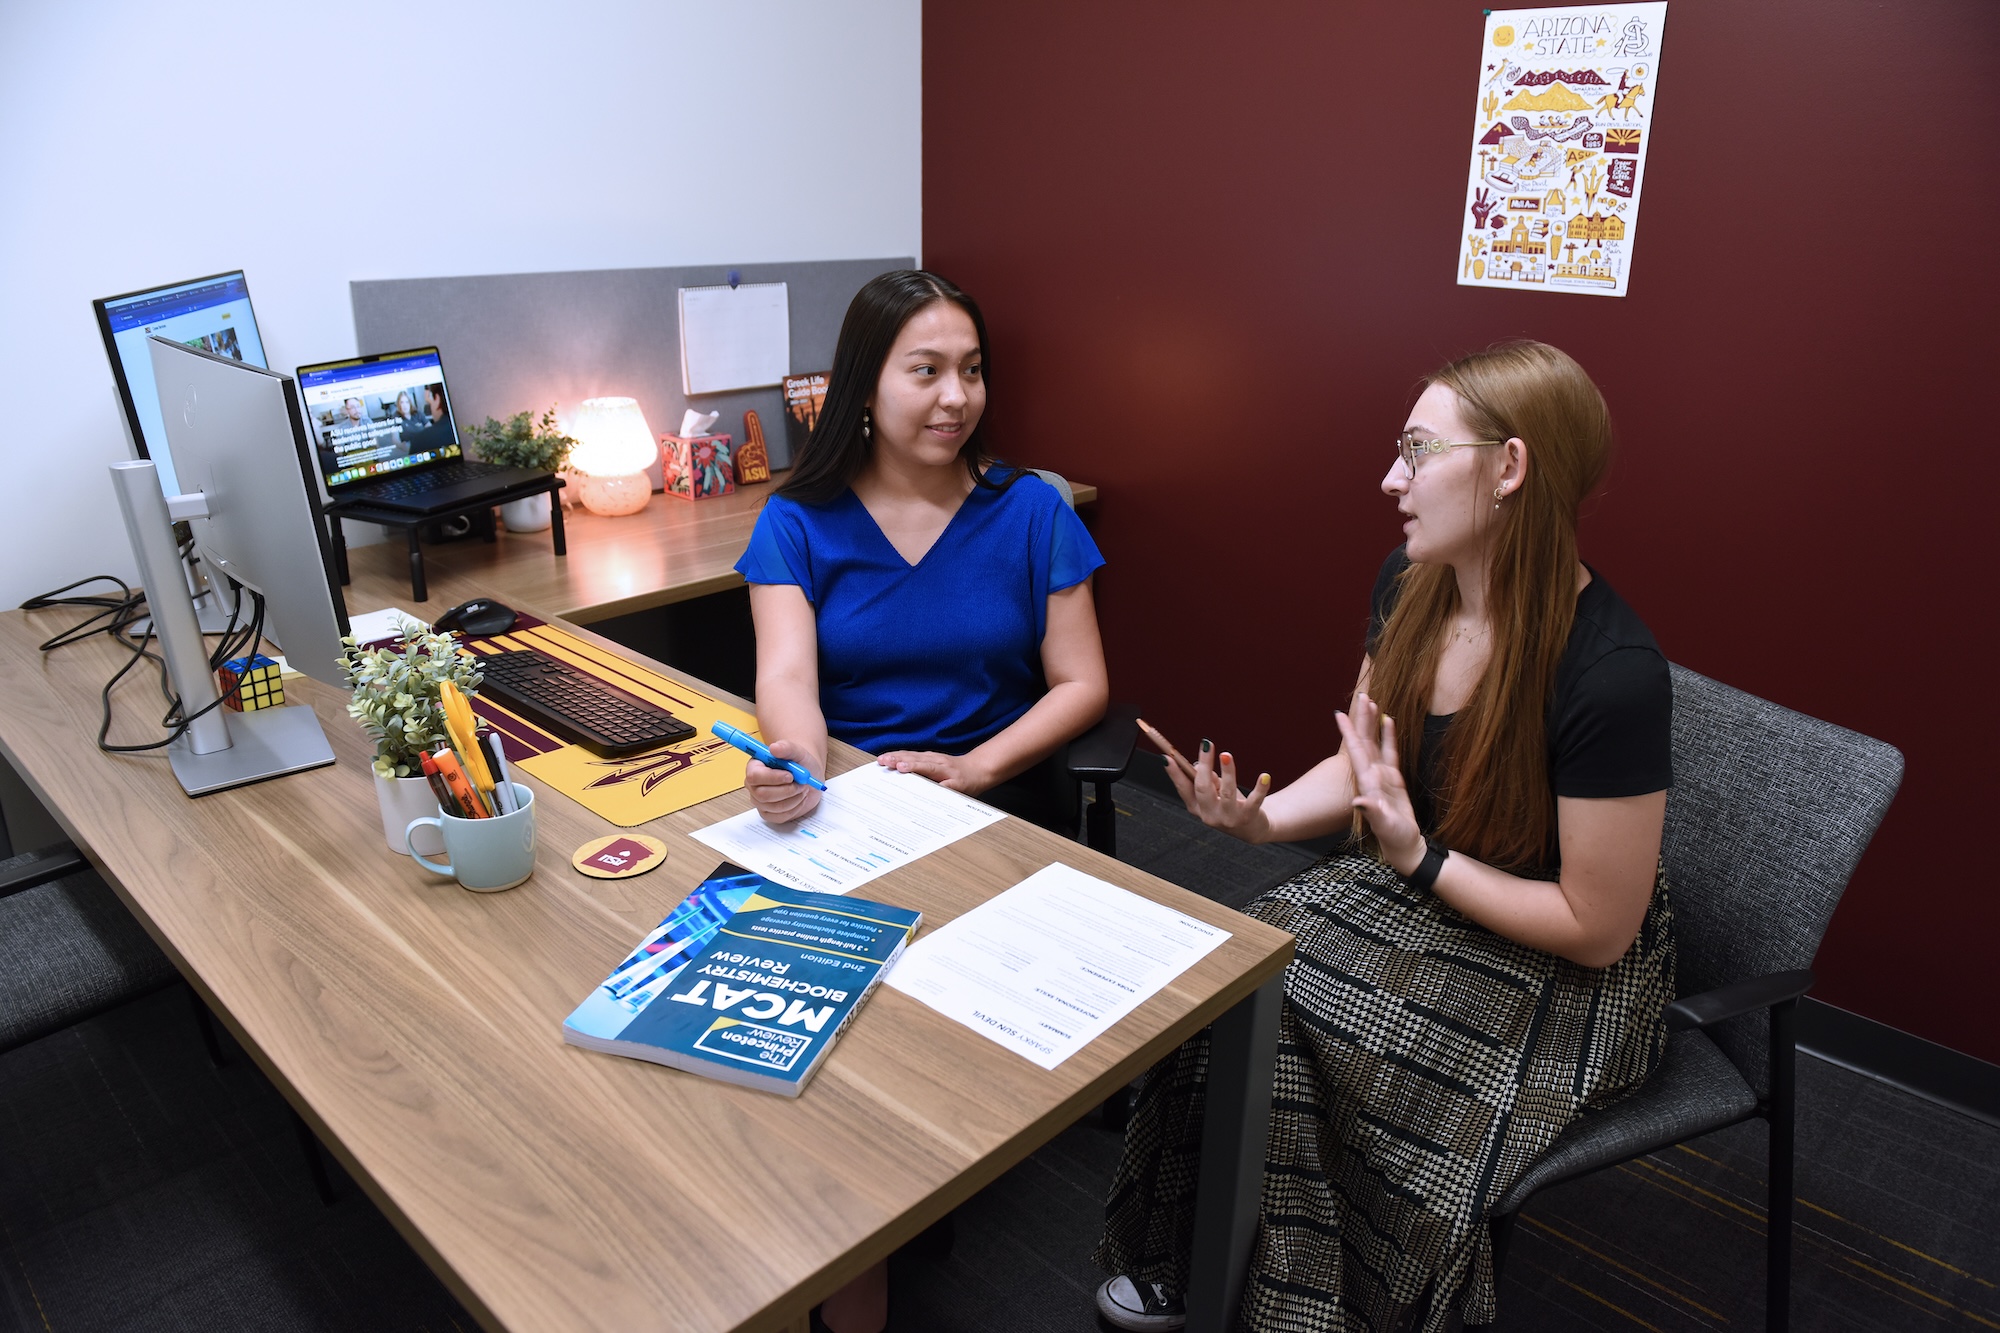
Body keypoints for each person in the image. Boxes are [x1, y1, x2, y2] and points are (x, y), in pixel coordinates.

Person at [1093, 341, 1675, 1333]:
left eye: (1415, 450)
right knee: (1225, 986)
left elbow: (1594, 926)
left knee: (1339, 1051)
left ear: (1508, 467)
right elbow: (1367, 765)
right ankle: (1202, 1254)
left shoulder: (1611, 671)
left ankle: (1317, 1300)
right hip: (1419, 878)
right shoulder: (1411, 582)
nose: (1388, 478)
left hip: (1554, 962)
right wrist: (1260, 819)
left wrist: (1416, 856)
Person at [734, 268, 1110, 835]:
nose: (957, 396)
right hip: (850, 793)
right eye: (927, 371)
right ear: (864, 385)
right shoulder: (794, 522)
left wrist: (977, 767)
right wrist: (803, 762)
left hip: (1000, 793)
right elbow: (787, 678)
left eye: (972, 370)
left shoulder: (1034, 511)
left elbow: (1082, 684)